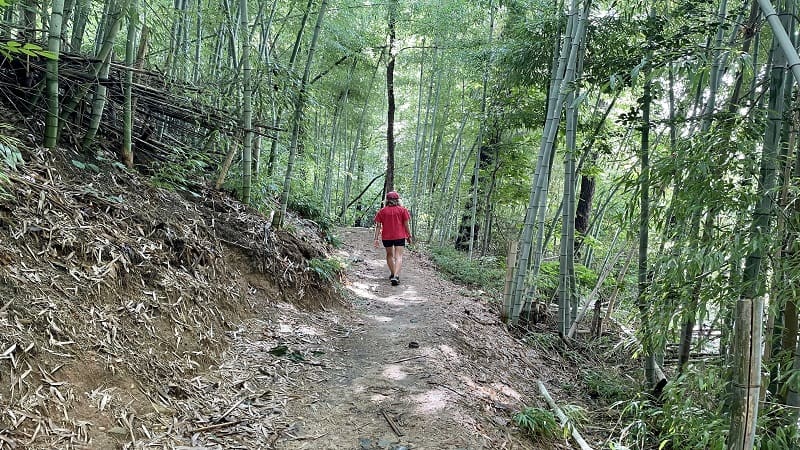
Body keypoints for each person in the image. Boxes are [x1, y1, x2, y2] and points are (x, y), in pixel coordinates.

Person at [374, 190, 412, 286]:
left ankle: (392, 273)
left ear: (386, 200)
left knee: (389, 255)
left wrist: (376, 239)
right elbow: (406, 225)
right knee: (398, 256)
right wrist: (409, 236)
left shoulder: (381, 211)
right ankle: (396, 276)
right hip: (399, 236)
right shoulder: (403, 210)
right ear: (397, 200)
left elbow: (378, 226)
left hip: (386, 237)